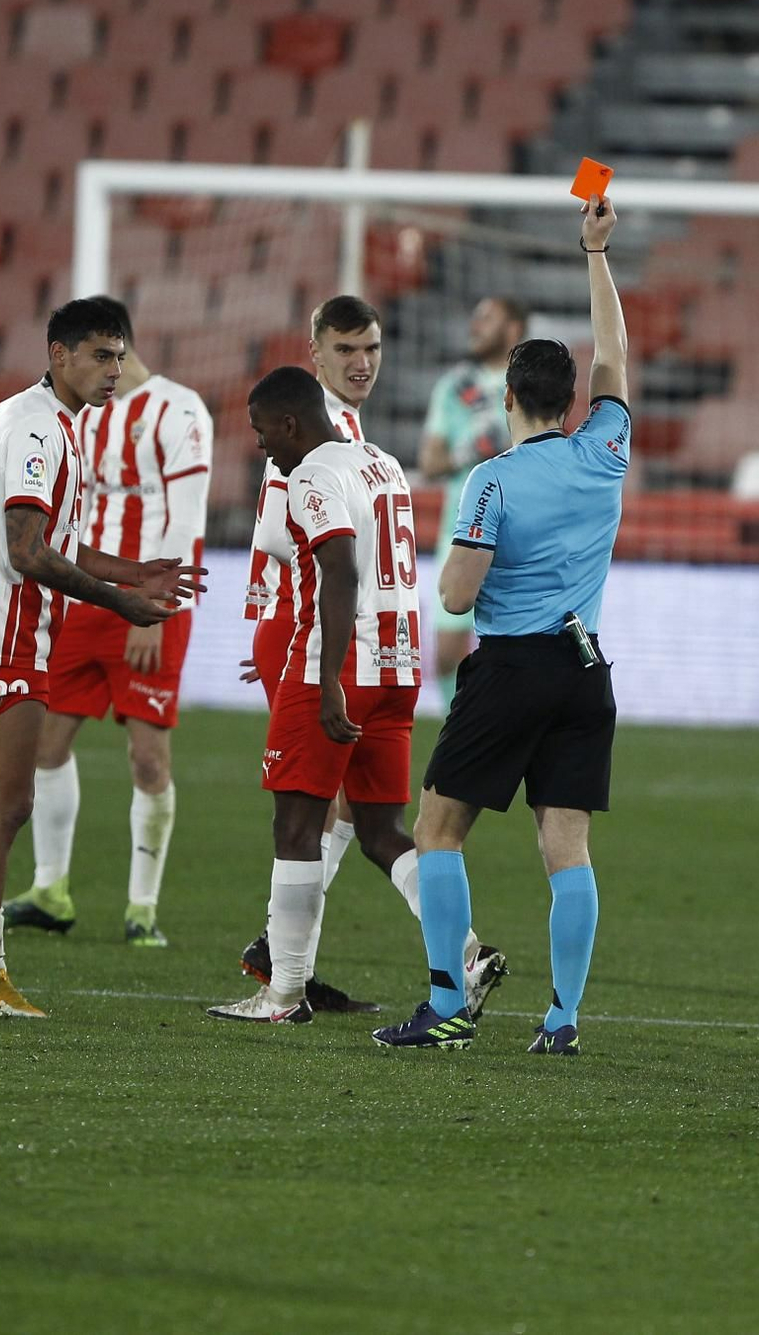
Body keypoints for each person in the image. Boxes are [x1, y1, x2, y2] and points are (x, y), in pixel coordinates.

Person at [373, 194, 631, 1055]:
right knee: (568, 849)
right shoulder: (606, 450)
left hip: (513, 668)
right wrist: (596, 254)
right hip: (586, 671)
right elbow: (616, 356)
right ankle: (562, 1020)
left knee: (437, 829)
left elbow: (455, 595)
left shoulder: (491, 480)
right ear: (574, 399)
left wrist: (458, 561)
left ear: (509, 395)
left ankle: (448, 1004)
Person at [0, 300, 205, 1018]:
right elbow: (27, 552)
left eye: (119, 356)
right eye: (100, 355)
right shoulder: (39, 428)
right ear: (58, 353)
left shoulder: (44, 419)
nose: (113, 371)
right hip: (4, 632)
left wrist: (134, 571)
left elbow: (56, 541)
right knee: (8, 802)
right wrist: (119, 601)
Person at [235, 298, 507, 1020]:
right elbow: (291, 546)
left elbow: (296, 544)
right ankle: (448, 953)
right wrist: (275, 624)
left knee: (322, 813)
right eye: (346, 349)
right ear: (316, 353)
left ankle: (283, 968)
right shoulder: (345, 439)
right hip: (360, 644)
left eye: (373, 349)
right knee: (353, 814)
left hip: (333, 643)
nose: (362, 364)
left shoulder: (314, 443)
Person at [207, 365, 428, 1025]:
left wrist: (328, 678)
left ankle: (283, 994)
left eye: (262, 431)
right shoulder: (382, 462)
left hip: (333, 664)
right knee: (383, 831)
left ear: (290, 422)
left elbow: (339, 569)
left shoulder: (309, 475)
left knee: (296, 826)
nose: (261, 446)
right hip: (398, 664)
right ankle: (465, 957)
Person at [3, 297, 213, 948]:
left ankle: (141, 907)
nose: (105, 369)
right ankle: (51, 889)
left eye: (107, 354)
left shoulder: (180, 410)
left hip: (148, 605)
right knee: (47, 742)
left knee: (148, 757)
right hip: (84, 596)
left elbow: (186, 516)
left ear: (123, 346)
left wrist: (157, 609)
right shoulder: (79, 412)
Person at [418, 297, 528, 711]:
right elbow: (430, 463)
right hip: (462, 528)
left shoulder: (531, 385)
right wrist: (470, 450)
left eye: (487, 318)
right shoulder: (454, 386)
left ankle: (506, 732)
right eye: (475, 317)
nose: (475, 325)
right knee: (447, 654)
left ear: (513, 329)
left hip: (518, 530)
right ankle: (462, 727)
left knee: (518, 654)